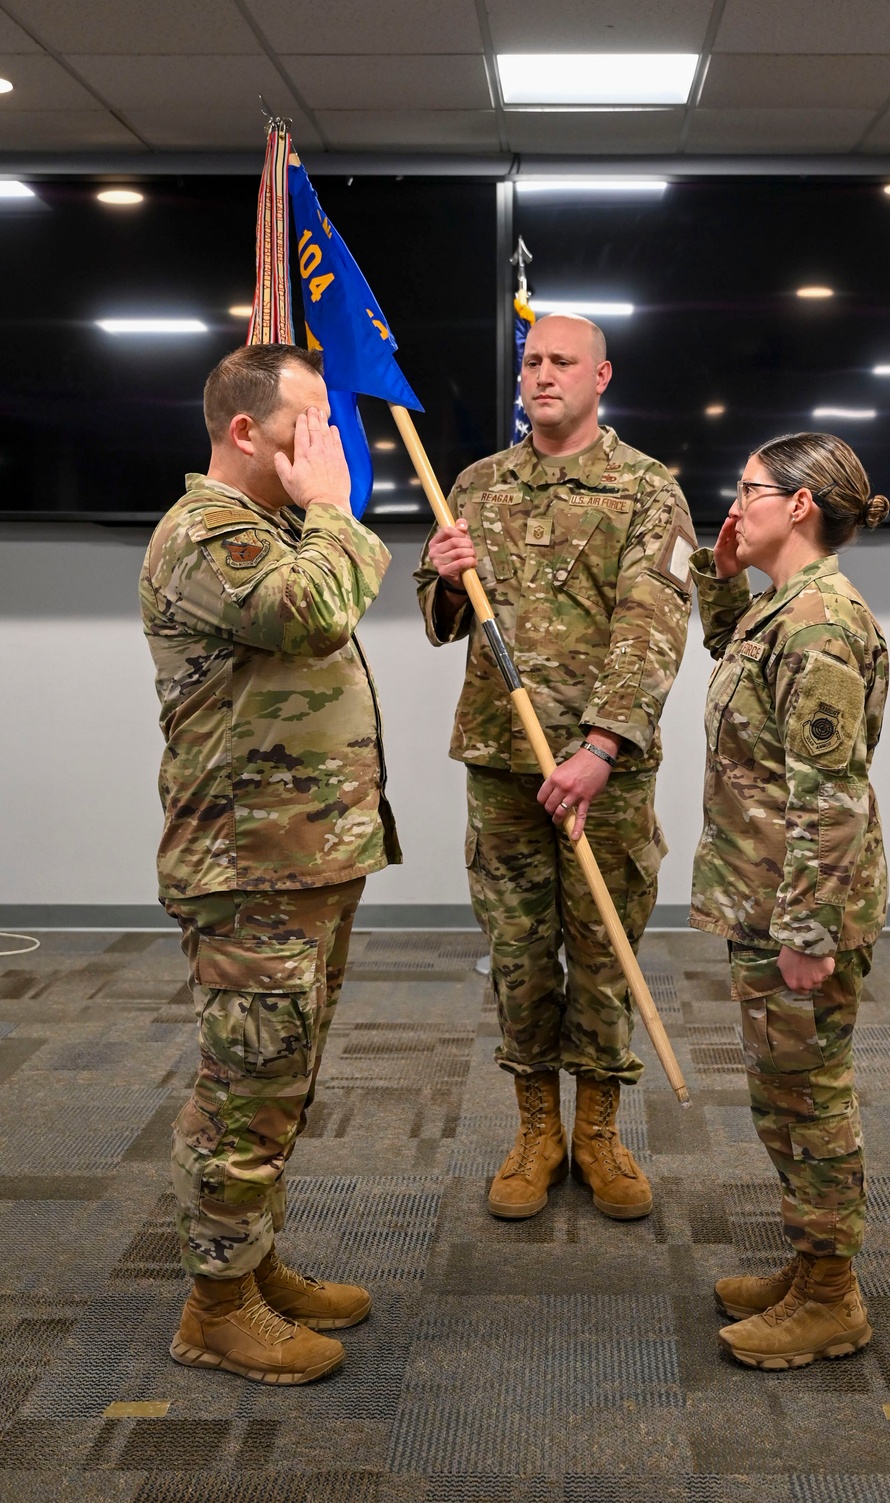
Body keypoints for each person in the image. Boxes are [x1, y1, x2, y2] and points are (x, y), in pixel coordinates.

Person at [139, 343, 400, 1386]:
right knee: (245, 1088)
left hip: (301, 860)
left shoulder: (271, 533)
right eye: (310, 421)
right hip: (247, 867)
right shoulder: (204, 534)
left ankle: (250, 1265)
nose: (326, 442)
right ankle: (214, 1308)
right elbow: (312, 613)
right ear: (246, 431)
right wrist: (337, 511)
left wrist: (322, 520)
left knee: (279, 1080)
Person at [414, 314, 695, 1222]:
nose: (541, 375)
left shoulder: (648, 490)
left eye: (561, 361)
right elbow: (445, 617)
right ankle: (537, 1128)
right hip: (503, 764)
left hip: (603, 774)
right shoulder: (477, 484)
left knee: (605, 952)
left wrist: (600, 747)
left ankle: (600, 1131)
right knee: (520, 955)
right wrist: (445, 574)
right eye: (531, 361)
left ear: (601, 375)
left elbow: (652, 629)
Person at [689, 431, 890, 1370]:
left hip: (798, 909)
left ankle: (832, 1296)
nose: (736, 504)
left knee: (807, 1099)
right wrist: (723, 573)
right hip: (767, 896)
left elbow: (830, 791)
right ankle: (812, 1265)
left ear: (801, 504)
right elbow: (736, 669)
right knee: (785, 1096)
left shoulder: (819, 625)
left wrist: (807, 928)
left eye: (749, 488)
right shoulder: (781, 609)